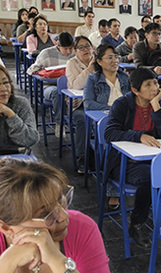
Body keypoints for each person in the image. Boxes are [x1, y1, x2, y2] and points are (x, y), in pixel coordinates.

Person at [104, 68, 161, 241]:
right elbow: (110, 133)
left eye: (156, 83)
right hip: (125, 162)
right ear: (135, 90)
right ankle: (137, 223)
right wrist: (138, 136)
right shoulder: (122, 105)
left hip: (153, 158)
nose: (154, 88)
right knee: (151, 176)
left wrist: (156, 107)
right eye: (148, 84)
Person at [66, 36, 94, 172]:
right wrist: (89, 70)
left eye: (88, 46)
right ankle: (82, 157)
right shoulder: (72, 63)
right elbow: (75, 86)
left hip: (96, 103)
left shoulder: (99, 60)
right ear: (75, 51)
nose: (85, 50)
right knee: (83, 119)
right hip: (78, 105)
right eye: (81, 47)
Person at [84, 44, 130, 113]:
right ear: (99, 61)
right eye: (110, 57)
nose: (115, 61)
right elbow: (88, 104)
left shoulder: (125, 77)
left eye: (116, 57)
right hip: (105, 116)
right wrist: (112, 109)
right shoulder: (93, 79)